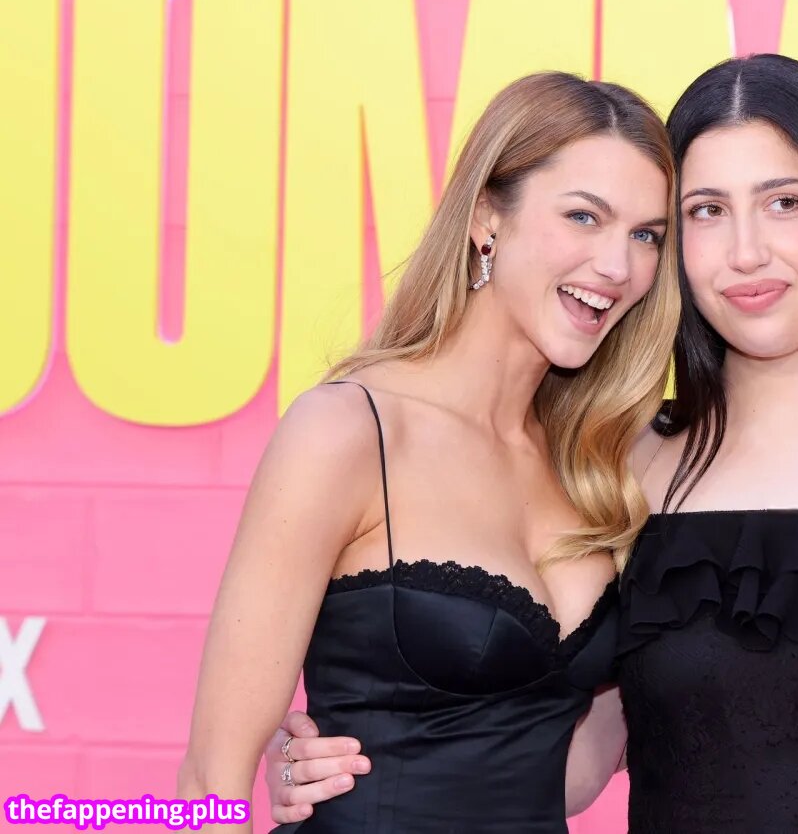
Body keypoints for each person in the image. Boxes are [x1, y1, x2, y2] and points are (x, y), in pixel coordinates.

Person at [262, 54, 798, 833]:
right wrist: (366, 762)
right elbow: (567, 763)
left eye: (784, 202)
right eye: (706, 212)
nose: (746, 252)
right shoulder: (624, 466)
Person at [177, 71, 680, 833]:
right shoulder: (348, 433)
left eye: (646, 236)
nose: (618, 265)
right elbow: (209, 779)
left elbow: (565, 777)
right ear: (487, 218)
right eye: (584, 216)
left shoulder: (601, 468)